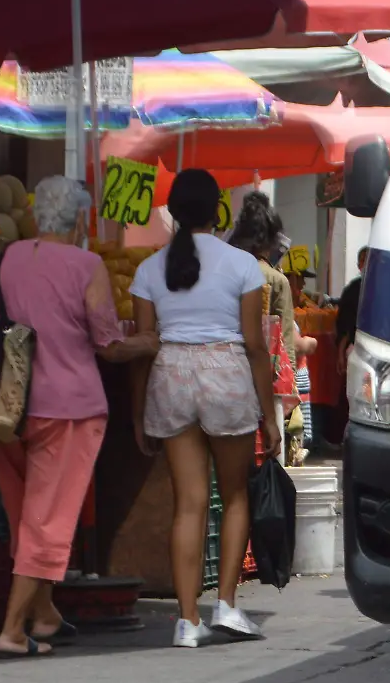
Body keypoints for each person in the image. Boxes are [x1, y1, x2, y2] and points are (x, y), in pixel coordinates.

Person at [0, 176, 158, 658]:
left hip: (5, 412)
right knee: (48, 523)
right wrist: (147, 343)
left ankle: (44, 615)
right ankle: (12, 629)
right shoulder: (87, 266)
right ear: (79, 223)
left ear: (33, 216)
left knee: (25, 514)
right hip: (68, 409)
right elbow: (108, 345)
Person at [130, 170, 281, 647]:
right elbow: (256, 346)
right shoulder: (242, 265)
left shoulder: (148, 269)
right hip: (226, 374)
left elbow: (143, 348)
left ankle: (186, 620)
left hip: (171, 375)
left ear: (173, 212)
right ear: (218, 210)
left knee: (189, 504)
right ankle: (228, 606)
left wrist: (139, 414)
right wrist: (270, 411)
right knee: (233, 496)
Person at [228, 193, 316, 463]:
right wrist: (289, 405)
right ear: (270, 240)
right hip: (264, 383)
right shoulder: (276, 280)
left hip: (222, 377)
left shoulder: (223, 270)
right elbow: (285, 348)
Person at [334, 245, 369, 374]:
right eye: (364, 260)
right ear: (359, 265)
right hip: (356, 348)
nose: (367, 265)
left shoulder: (385, 290)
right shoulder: (352, 290)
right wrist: (340, 354)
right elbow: (344, 325)